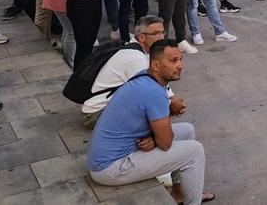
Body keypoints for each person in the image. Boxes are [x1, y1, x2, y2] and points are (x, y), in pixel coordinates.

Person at [87, 40, 213, 205]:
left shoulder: (144, 77)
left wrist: (154, 140)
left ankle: (178, 192)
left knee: (187, 130)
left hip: (109, 155)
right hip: (110, 167)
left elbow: (156, 132)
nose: (180, 65)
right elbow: (166, 143)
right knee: (195, 151)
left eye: (181, 59)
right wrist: (157, 140)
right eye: (173, 61)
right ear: (155, 65)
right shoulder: (153, 92)